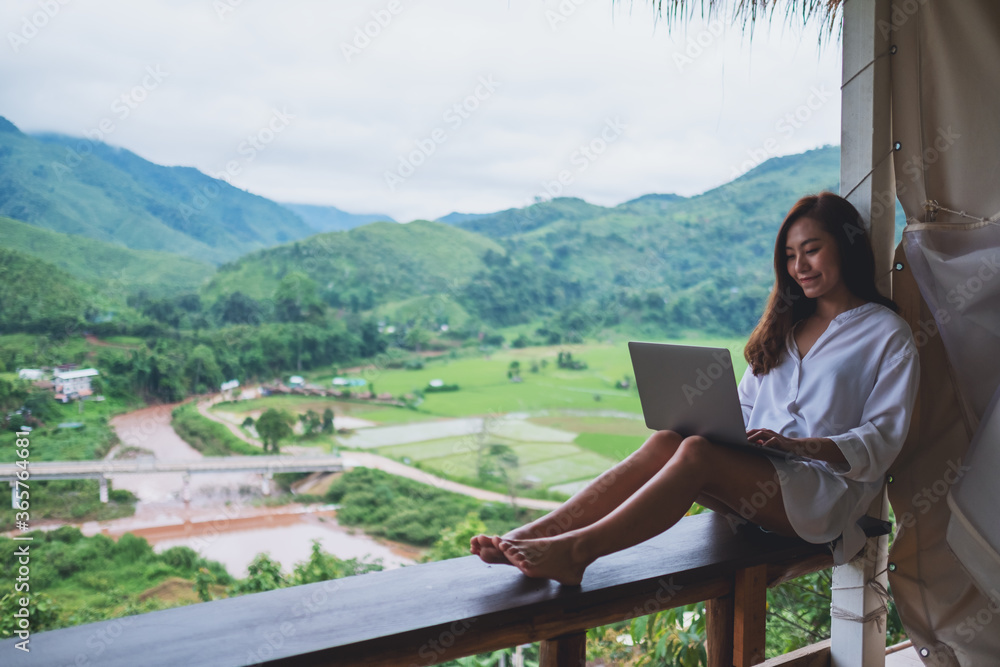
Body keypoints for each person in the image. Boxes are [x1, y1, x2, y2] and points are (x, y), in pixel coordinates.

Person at [470, 191, 920, 585]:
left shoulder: (886, 334)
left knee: (697, 453)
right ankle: (535, 534)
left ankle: (575, 554)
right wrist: (722, 423)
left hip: (823, 496)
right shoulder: (785, 325)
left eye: (812, 250)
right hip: (761, 475)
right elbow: (742, 407)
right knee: (670, 438)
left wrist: (804, 447)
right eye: (788, 255)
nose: (798, 266)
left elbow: (883, 440)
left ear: (845, 245)